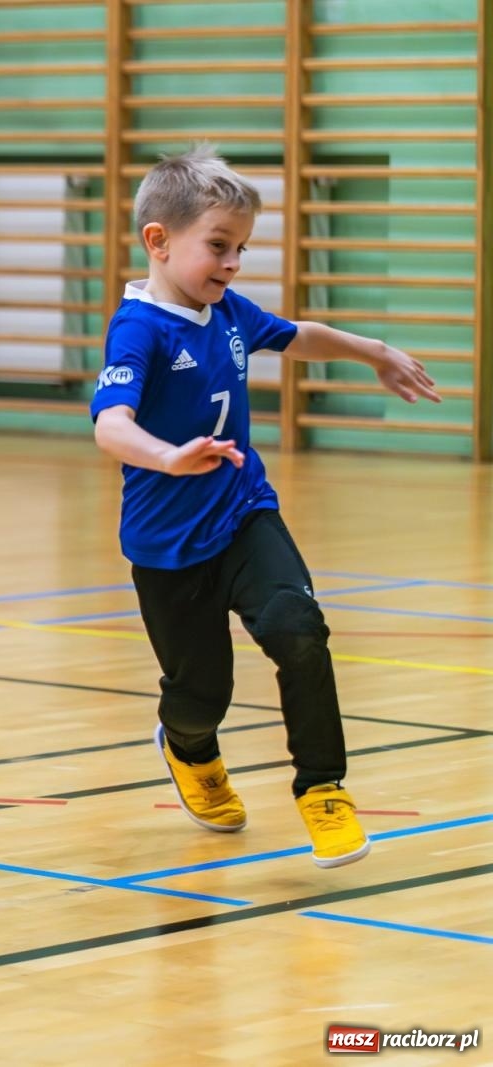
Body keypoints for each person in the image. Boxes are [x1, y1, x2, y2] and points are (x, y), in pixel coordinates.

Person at [90, 145, 440, 869]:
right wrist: (168, 455)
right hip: (166, 545)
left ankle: (323, 790)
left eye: (241, 248)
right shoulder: (140, 328)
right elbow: (109, 424)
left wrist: (371, 348)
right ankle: (189, 750)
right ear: (158, 240)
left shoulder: (226, 312)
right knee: (200, 697)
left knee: (298, 628)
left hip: (245, 513)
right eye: (219, 246)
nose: (233, 264)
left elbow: (295, 333)